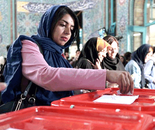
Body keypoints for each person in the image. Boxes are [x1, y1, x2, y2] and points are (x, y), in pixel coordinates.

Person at [1, 5, 133, 109]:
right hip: (31, 119)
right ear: (49, 23)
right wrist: (106, 74)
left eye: (72, 28)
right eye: (62, 25)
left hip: (56, 117)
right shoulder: (29, 45)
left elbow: (66, 89)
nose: (67, 32)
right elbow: (47, 76)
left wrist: (94, 89)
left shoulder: (59, 55)